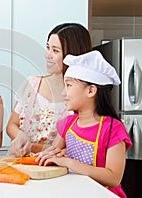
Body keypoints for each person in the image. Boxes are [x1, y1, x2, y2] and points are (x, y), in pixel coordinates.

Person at [36, 51, 132, 198]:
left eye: (68, 85)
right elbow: (53, 153)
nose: (63, 93)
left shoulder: (113, 128)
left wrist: (69, 162)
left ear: (91, 90)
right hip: (74, 193)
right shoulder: (69, 123)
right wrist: (44, 156)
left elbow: (113, 178)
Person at [7, 23, 92, 157]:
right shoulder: (31, 84)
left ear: (72, 55)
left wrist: (31, 146)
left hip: (55, 168)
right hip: (19, 162)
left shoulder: (78, 97)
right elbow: (12, 124)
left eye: (55, 51)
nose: (48, 55)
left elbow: (62, 148)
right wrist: (21, 137)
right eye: (48, 48)